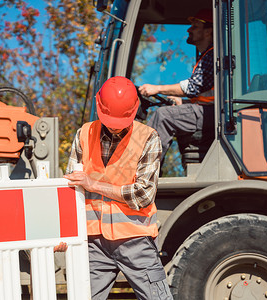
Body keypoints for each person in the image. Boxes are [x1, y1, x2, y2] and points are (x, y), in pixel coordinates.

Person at [62, 76, 172, 300]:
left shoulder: (148, 138)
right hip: (94, 242)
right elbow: (71, 189)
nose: (113, 126)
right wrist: (64, 232)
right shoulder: (84, 134)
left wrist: (94, 184)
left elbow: (143, 195)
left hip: (135, 239)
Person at [138, 8, 214, 168]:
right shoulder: (207, 56)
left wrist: (157, 88)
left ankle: (143, 173)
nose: (189, 29)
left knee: (164, 116)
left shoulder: (212, 56)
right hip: (207, 111)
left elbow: (193, 87)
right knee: (169, 112)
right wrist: (183, 102)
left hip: (212, 114)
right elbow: (203, 93)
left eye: (195, 26)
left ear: (208, 32)